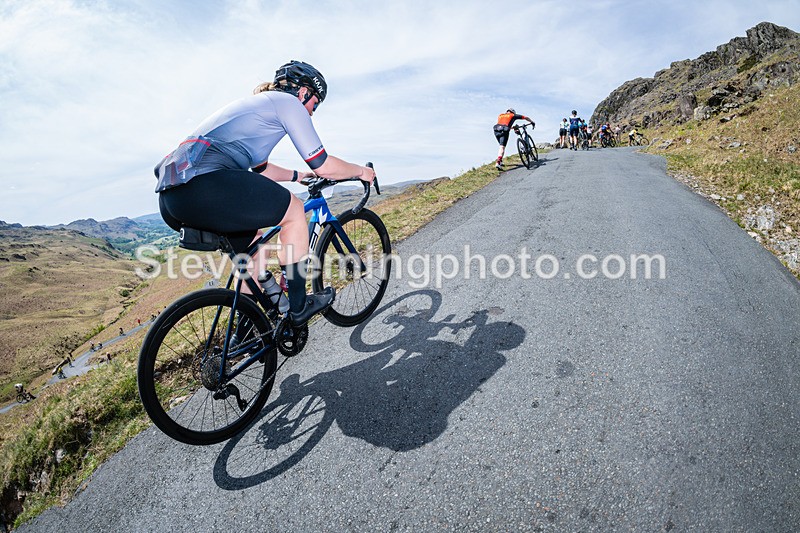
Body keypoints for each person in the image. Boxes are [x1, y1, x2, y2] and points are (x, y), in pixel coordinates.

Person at [154, 61, 375, 327]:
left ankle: (246, 330)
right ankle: (299, 307)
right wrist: (361, 172)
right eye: (314, 105)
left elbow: (261, 169)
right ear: (304, 92)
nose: (312, 113)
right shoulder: (289, 103)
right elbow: (323, 164)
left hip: (174, 197)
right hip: (203, 185)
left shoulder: (258, 110)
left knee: (255, 246)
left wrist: (299, 176)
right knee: (294, 210)